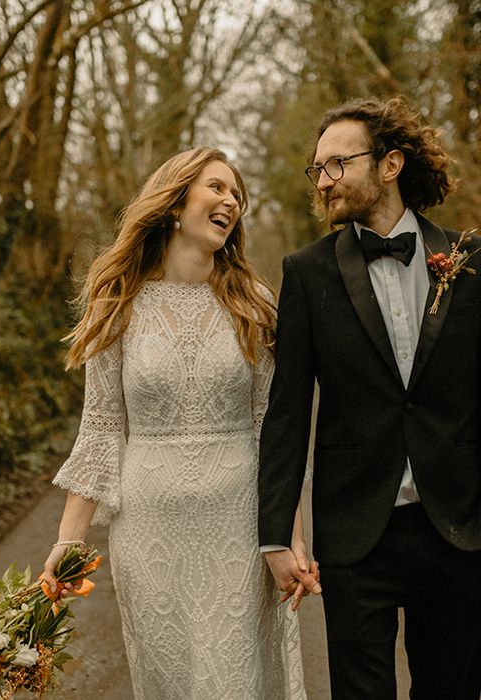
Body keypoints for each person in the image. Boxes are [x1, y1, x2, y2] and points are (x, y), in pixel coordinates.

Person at [43, 147, 317, 699]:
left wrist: (292, 540)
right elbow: (99, 428)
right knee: (169, 681)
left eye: (236, 193)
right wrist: (67, 542)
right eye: (217, 187)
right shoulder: (116, 301)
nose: (231, 200)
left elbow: (273, 429)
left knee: (233, 679)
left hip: (238, 524)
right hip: (149, 533)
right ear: (173, 202)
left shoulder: (255, 303)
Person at [258, 95, 481, 699]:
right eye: (317, 170)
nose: (323, 181)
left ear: (390, 164)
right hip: (357, 534)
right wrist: (277, 532)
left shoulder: (469, 260)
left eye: (337, 164)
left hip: (458, 528)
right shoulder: (306, 272)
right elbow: (287, 410)